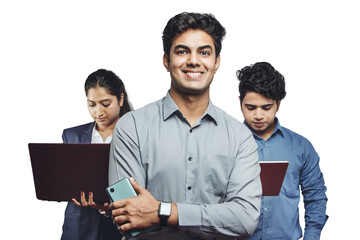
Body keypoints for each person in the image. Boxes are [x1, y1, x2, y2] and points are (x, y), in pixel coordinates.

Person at [108, 12, 262, 240]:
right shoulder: (131, 127)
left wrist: (162, 211)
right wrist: (214, 218)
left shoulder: (240, 137)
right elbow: (129, 217)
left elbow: (245, 219)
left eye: (204, 52)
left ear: (216, 61)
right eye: (182, 51)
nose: (193, 60)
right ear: (166, 60)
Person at [237, 62, 328, 240]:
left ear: (278, 104)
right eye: (250, 107)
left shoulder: (301, 147)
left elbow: (315, 198)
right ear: (240, 102)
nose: (258, 115)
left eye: (266, 107)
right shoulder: (226, 144)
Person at [60, 69, 132, 240]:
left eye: (105, 104)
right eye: (92, 104)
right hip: (79, 226)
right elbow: (64, 179)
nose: (98, 112)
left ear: (120, 99)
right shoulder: (72, 136)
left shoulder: (136, 136)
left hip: (120, 225)